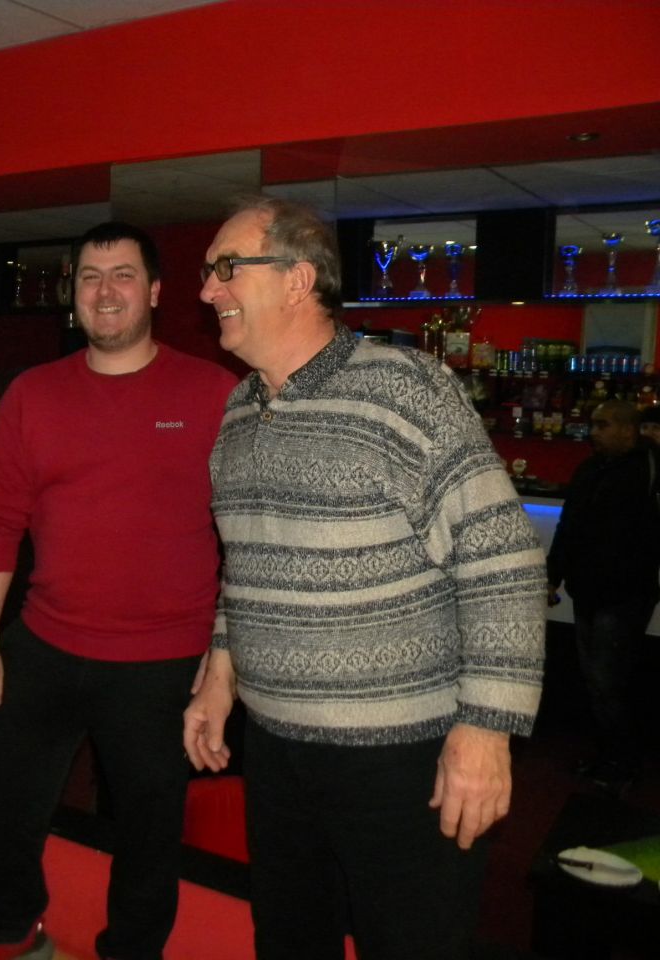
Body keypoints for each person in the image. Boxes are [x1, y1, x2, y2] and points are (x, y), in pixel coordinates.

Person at [184, 194, 546, 960]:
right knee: (289, 942)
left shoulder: (404, 387)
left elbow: (504, 561)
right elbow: (247, 566)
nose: (207, 289)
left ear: (296, 279)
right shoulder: (241, 409)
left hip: (401, 756)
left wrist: (487, 731)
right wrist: (220, 675)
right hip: (277, 751)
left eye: (226, 267)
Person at [0, 222, 237, 960]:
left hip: (164, 659)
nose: (105, 292)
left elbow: (248, 539)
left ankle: (131, 951)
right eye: (90, 277)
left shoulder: (212, 393)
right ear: (71, 293)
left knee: (147, 828)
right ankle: (12, 925)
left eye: (123, 275)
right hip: (46, 640)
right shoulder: (33, 395)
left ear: (155, 291)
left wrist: (222, 666)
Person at [547, 399, 660, 790]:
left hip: (625, 593)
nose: (593, 432)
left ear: (628, 430)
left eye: (603, 425)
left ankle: (622, 761)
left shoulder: (647, 469)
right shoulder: (591, 468)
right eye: (594, 424)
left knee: (608, 681)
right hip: (591, 589)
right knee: (597, 681)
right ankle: (611, 756)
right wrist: (553, 575)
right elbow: (568, 526)